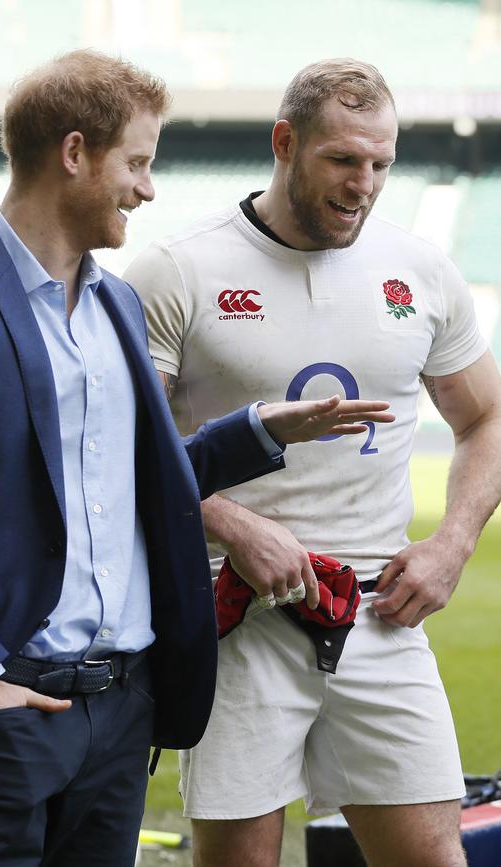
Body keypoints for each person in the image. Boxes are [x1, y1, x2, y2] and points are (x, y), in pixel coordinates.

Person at [0, 51, 394, 867]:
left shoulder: (114, 302)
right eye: (137, 163)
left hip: (123, 708)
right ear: (75, 154)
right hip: (8, 708)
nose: (148, 187)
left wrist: (259, 431)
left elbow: (142, 479)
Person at [124, 58, 501, 867]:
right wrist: (227, 522)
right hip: (237, 619)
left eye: (380, 165)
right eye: (342, 160)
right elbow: (119, 450)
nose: (363, 183)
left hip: (382, 616)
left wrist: (451, 543)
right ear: (286, 143)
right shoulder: (178, 270)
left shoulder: (422, 271)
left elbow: (487, 416)